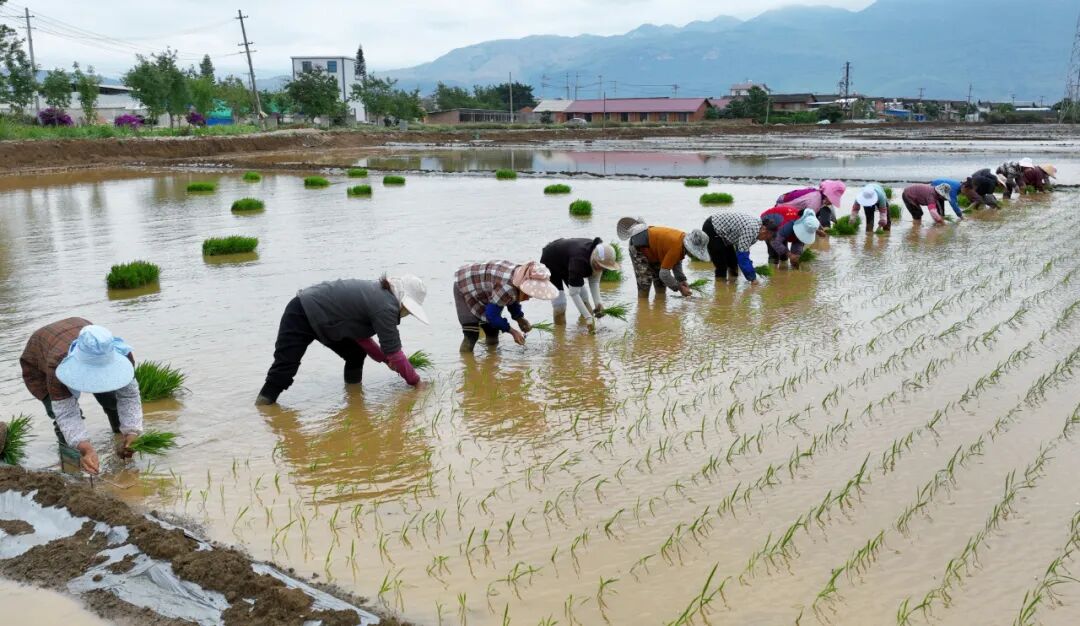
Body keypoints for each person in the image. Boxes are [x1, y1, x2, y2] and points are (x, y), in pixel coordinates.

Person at [256, 275, 429, 405]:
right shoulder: (385, 306)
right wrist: (417, 382)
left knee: (355, 353)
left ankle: (353, 398)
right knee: (284, 369)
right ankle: (263, 407)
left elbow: (361, 338)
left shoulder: (380, 296)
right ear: (403, 301)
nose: (406, 314)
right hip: (301, 313)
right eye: (408, 310)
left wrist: (386, 360)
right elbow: (395, 352)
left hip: (326, 320)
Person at [18, 319, 144, 474]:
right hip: (39, 357)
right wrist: (86, 449)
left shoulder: (121, 352)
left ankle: (121, 443)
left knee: (112, 399)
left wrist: (132, 432)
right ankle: (71, 469)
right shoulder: (56, 365)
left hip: (76, 326)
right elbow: (66, 413)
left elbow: (129, 397)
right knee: (58, 418)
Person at [454, 260, 558, 353]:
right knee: (471, 335)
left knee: (492, 333)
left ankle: (490, 363)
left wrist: (519, 318)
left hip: (487, 291)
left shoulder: (519, 278)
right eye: (528, 294)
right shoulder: (507, 287)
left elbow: (512, 299)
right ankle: (467, 367)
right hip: (465, 285)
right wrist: (513, 332)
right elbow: (492, 315)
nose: (529, 297)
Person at [539, 237, 620, 332]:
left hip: (568, 260)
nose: (601, 269)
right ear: (594, 259)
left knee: (585, 299)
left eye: (604, 267)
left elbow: (594, 281)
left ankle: (583, 333)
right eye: (600, 266)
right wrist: (588, 318)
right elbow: (574, 293)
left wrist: (598, 303)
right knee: (560, 306)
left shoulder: (600, 257)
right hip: (551, 260)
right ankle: (559, 337)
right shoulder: (579, 262)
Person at [616, 217, 710, 298]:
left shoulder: (681, 244)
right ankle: (642, 306)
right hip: (639, 246)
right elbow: (664, 274)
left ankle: (659, 308)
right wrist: (679, 288)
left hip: (655, 250)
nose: (694, 256)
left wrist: (682, 280)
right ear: (691, 248)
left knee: (660, 283)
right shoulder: (677, 246)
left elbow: (676, 263)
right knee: (645, 282)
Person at [701, 211, 775, 283]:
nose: (765, 240)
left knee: (733, 263)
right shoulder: (751, 230)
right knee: (721, 265)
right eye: (767, 237)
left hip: (726, 235)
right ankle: (721, 288)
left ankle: (732, 286)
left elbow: (743, 251)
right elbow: (742, 257)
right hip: (712, 228)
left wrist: (749, 268)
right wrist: (753, 279)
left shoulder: (757, 230)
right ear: (764, 230)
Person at [775, 180, 846, 229]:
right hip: (781, 212)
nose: (832, 202)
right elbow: (809, 221)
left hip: (790, 208)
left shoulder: (819, 195)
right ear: (827, 195)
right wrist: (819, 230)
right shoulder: (815, 200)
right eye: (832, 199)